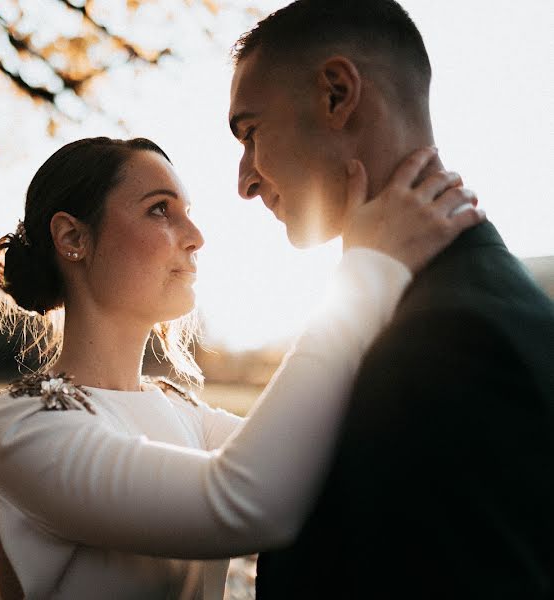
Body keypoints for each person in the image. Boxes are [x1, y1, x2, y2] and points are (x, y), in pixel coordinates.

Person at [0, 135, 482, 599]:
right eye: (158, 210)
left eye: (187, 211)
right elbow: (243, 502)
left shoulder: (182, 410)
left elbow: (330, 464)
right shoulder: (20, 427)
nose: (195, 235)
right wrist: (370, 269)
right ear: (73, 238)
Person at [226, 1, 554, 598]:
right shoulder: (441, 302)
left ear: (336, 93)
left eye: (251, 133)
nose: (244, 181)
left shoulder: (453, 339)